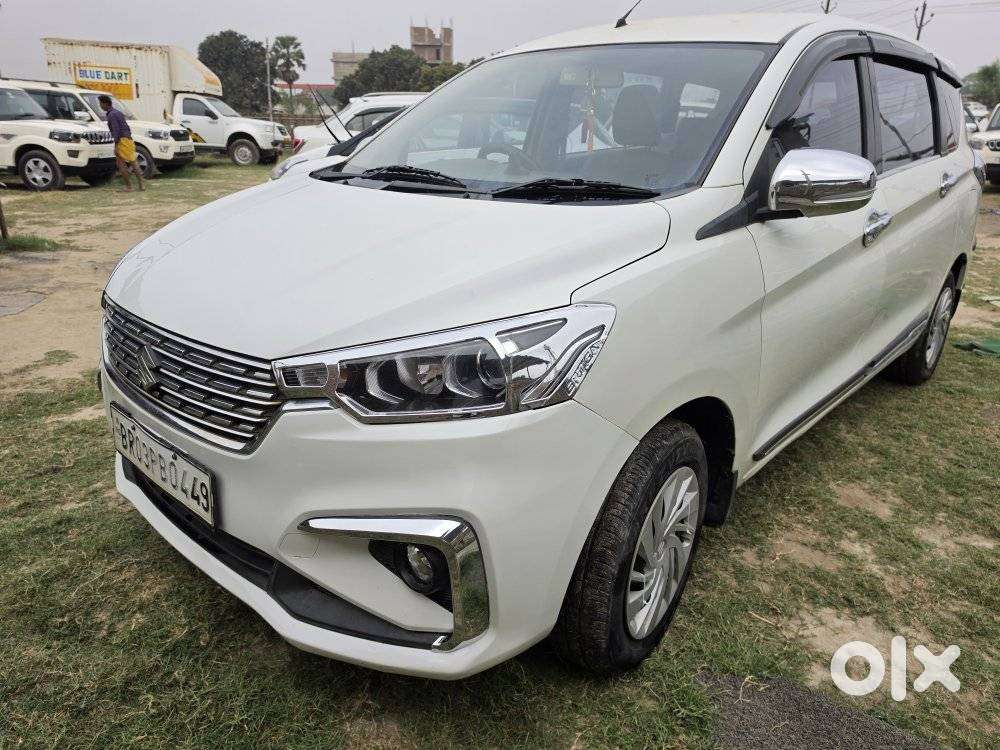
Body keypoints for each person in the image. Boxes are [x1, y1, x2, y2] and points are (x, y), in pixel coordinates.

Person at [98, 94, 144, 192]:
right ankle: (141, 185)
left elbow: (116, 131)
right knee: (133, 162)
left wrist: (116, 145)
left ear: (105, 103)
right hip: (128, 139)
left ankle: (129, 187)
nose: (100, 106)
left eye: (101, 104)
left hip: (122, 140)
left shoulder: (111, 115)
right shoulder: (118, 112)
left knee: (121, 164)